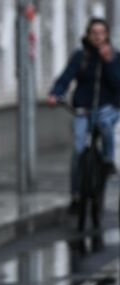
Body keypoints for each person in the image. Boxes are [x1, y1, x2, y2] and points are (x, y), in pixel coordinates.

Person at [47, 17, 120, 211]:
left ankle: (107, 160)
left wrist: (109, 62)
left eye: (101, 33)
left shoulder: (115, 56)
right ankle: (76, 194)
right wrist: (56, 93)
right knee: (78, 149)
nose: (97, 37)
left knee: (106, 126)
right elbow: (66, 77)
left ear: (107, 35)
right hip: (83, 108)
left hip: (107, 107)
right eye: (93, 33)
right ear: (88, 35)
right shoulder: (81, 56)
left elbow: (117, 83)